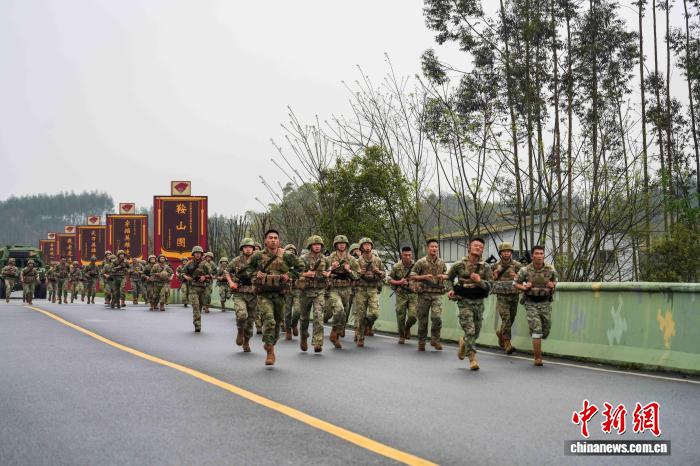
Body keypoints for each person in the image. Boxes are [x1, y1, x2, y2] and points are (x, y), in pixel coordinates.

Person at [245, 229, 303, 366]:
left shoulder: (287, 255)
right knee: (269, 320)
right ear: (265, 240)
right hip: (263, 293)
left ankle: (270, 342)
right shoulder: (257, 255)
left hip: (280, 293)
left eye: (275, 238)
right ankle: (270, 351)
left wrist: (290, 275)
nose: (273, 240)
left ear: (279, 241)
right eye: (270, 238)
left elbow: (301, 266)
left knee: (277, 323)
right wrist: (255, 275)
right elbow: (248, 268)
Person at [447, 238, 493, 370]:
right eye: (475, 245)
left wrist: (479, 281)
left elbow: (490, 286)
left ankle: (463, 343)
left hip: (478, 302)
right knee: (470, 330)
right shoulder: (458, 265)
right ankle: (472, 359)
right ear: (469, 247)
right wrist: (450, 290)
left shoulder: (486, 267)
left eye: (481, 247)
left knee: (476, 332)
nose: (478, 248)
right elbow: (448, 279)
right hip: (464, 301)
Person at [514, 245, 558, 366]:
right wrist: (524, 287)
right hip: (531, 302)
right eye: (537, 254)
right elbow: (515, 283)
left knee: (546, 329)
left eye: (541, 253)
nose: (539, 256)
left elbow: (555, 281)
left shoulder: (550, 269)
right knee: (537, 330)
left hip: (545, 302)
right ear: (532, 256)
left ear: (544, 255)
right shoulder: (525, 270)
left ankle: (534, 330)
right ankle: (538, 358)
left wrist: (553, 285)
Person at [411, 239, 449, 351]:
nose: (434, 249)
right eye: (432, 246)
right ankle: (422, 341)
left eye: (436, 247)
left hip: (437, 294)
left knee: (437, 318)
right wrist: (424, 277)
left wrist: (444, 276)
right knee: (423, 320)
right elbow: (412, 276)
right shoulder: (421, 262)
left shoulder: (441, 262)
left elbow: (447, 275)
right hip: (424, 294)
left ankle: (435, 340)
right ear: (428, 248)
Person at [324, 235, 359, 349]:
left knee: (343, 315)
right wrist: (331, 268)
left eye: (344, 243)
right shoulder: (329, 258)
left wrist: (349, 270)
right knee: (339, 309)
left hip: (346, 289)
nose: (342, 245)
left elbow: (357, 275)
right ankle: (334, 333)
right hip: (333, 288)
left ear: (347, 245)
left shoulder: (351, 259)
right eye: (339, 243)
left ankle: (336, 335)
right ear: (336, 245)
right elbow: (322, 273)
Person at [297, 235, 330, 353]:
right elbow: (295, 273)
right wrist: (305, 274)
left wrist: (327, 274)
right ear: (310, 246)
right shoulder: (303, 259)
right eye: (315, 244)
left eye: (319, 244)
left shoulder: (325, 259)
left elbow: (330, 271)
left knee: (318, 316)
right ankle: (303, 336)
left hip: (319, 291)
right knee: (304, 318)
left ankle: (318, 342)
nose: (317, 246)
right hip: (305, 292)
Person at [225, 238, 258, 352]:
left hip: (253, 293)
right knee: (242, 314)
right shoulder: (236, 261)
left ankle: (247, 341)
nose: (248, 249)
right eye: (246, 247)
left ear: (253, 249)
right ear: (242, 249)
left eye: (250, 247)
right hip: (239, 292)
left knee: (250, 321)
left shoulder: (258, 260)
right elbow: (227, 271)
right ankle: (240, 330)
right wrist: (231, 283)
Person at [492, 242, 523, 354]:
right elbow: (489, 279)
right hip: (502, 296)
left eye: (508, 251)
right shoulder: (495, 266)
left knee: (512, 318)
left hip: (514, 295)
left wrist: (517, 277)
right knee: (506, 319)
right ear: (500, 253)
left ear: (511, 253)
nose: (506, 253)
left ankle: (501, 333)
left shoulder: (517, 265)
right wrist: (494, 276)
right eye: (504, 251)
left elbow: (524, 277)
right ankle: (507, 343)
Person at [354, 238, 385, 348]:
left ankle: (366, 324)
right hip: (361, 290)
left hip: (373, 289)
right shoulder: (357, 261)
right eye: (365, 245)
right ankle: (360, 338)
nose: (367, 246)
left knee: (374, 313)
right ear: (361, 247)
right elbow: (352, 275)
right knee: (360, 314)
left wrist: (378, 271)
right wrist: (359, 273)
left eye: (369, 244)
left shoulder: (377, 260)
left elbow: (384, 274)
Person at [388, 246, 417, 344]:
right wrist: (399, 282)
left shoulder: (416, 265)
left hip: (413, 294)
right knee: (401, 316)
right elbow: (388, 279)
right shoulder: (397, 266)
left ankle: (407, 328)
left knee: (413, 316)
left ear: (412, 255)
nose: (408, 257)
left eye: (409, 255)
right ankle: (401, 335)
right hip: (401, 294)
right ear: (402, 255)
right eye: (405, 255)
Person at [183, 246, 212, 332]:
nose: (197, 254)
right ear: (193, 254)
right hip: (193, 288)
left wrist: (205, 277)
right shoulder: (189, 263)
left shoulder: (205, 264)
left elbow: (212, 275)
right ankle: (197, 324)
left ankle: (197, 320)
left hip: (203, 288)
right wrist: (186, 277)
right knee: (195, 306)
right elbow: (183, 273)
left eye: (199, 253)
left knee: (200, 307)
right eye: (196, 253)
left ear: (201, 254)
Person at [283, 244, 301, 340]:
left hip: (297, 289)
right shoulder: (281, 263)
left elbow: (303, 272)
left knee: (297, 310)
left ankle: (294, 324)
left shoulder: (299, 263)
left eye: (293, 251)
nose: (291, 253)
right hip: (286, 290)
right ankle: (288, 329)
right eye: (289, 251)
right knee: (287, 312)